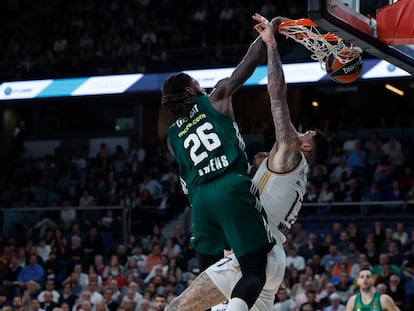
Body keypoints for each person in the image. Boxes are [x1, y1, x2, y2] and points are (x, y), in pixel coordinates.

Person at [165, 13, 330, 311]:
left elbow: (278, 99)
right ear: (191, 92)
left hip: (216, 211)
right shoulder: (276, 163)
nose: (299, 131)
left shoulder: (290, 153)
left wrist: (271, 43)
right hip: (254, 239)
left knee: (180, 305)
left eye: (306, 132)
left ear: (305, 145)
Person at [161, 13, 280, 311]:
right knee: (255, 269)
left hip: (200, 202)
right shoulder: (216, 98)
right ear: (190, 91)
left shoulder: (171, 137)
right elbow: (248, 64)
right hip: (229, 187)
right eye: (198, 84)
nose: (203, 87)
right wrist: (267, 35)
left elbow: (188, 175)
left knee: (211, 276)